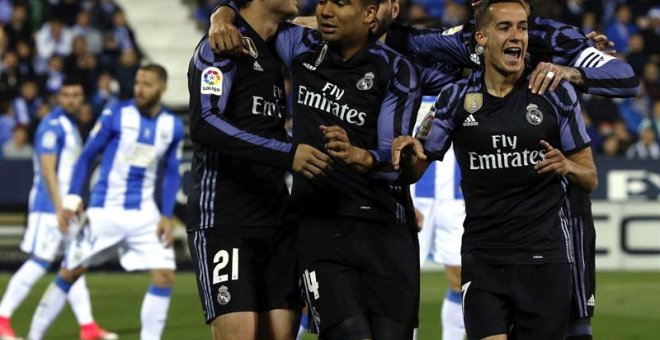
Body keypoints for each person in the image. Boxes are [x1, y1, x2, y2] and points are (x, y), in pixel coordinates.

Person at [211, 0, 422, 337]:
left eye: (339, 3)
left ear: (369, 14)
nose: (325, 10)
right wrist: (220, 14)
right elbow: (256, 12)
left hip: (385, 228)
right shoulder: (300, 45)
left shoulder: (397, 69)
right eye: (322, 1)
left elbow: (390, 154)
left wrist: (361, 157)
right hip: (320, 226)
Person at [392, 1, 598, 339]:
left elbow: (589, 177)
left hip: (544, 258)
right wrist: (410, 152)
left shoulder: (556, 93)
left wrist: (566, 166)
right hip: (483, 257)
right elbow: (415, 168)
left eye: (523, 27)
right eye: (505, 27)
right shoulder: (455, 99)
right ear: (482, 38)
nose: (517, 35)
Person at [186, 0, 332, 338]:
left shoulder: (276, 46)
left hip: (277, 218)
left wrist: (221, 10)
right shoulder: (221, 45)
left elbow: (341, 22)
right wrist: (287, 153)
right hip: (225, 218)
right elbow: (205, 124)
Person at [25, 64, 184, 340]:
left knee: (164, 274)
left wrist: (166, 215)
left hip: (145, 213)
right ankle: (34, 335)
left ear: (161, 88)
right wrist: (73, 199)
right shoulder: (117, 114)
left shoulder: (172, 125)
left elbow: (171, 171)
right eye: (137, 82)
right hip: (104, 210)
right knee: (70, 272)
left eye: (147, 84)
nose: (139, 89)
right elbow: (87, 157)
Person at [0, 79, 116, 340]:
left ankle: (87, 327)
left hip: (65, 206)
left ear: (82, 98)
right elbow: (47, 169)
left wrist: (72, 202)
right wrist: (59, 207)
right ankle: (2, 317)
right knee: (39, 262)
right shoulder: (52, 125)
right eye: (66, 95)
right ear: (58, 97)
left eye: (76, 94)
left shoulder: (69, 125)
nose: (71, 99)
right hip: (49, 207)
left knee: (73, 262)